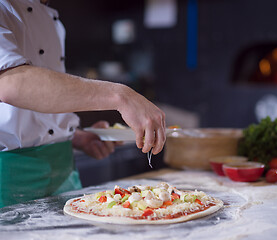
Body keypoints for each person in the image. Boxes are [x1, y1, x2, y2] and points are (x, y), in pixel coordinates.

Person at [0, 0, 166, 208]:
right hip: (9, 182)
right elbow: (12, 83)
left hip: (64, 176)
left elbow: (37, 101)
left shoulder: (50, 16)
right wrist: (121, 96)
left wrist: (74, 136)